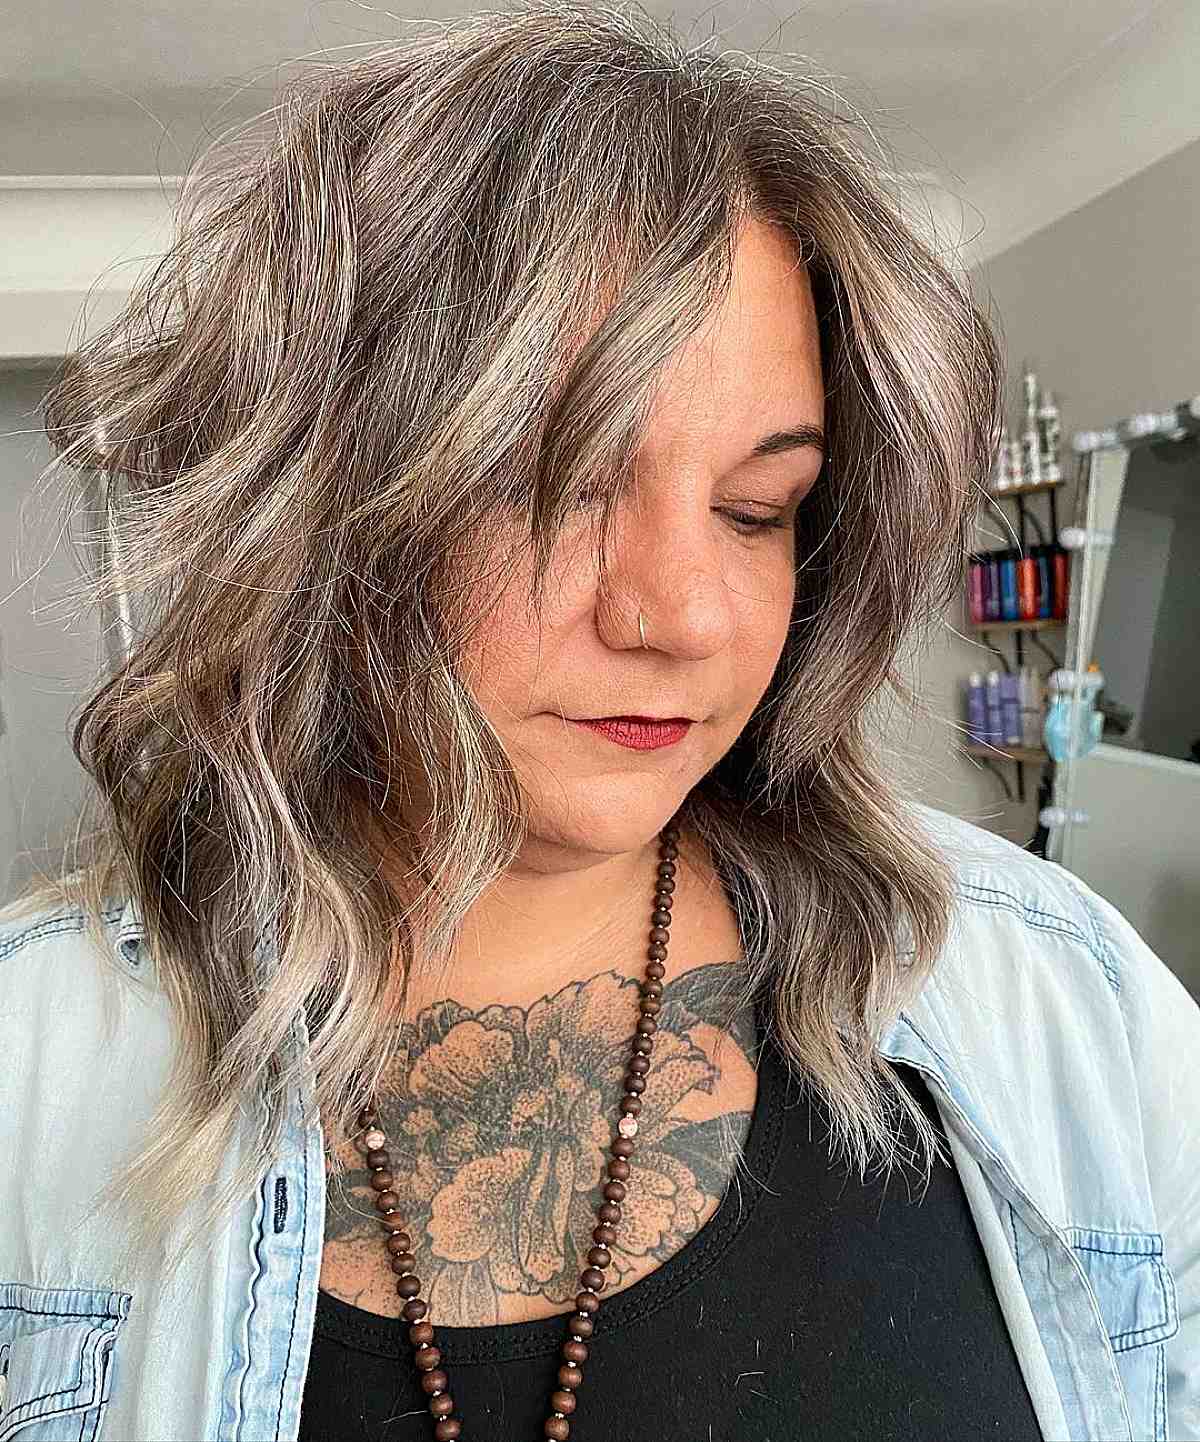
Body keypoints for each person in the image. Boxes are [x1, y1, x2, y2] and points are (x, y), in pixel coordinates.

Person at [1, 5, 1196, 1440]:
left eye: (757, 509)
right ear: (319, 512)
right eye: (555, 483)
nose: (682, 616)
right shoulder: (35, 1062)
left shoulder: (1060, 998)